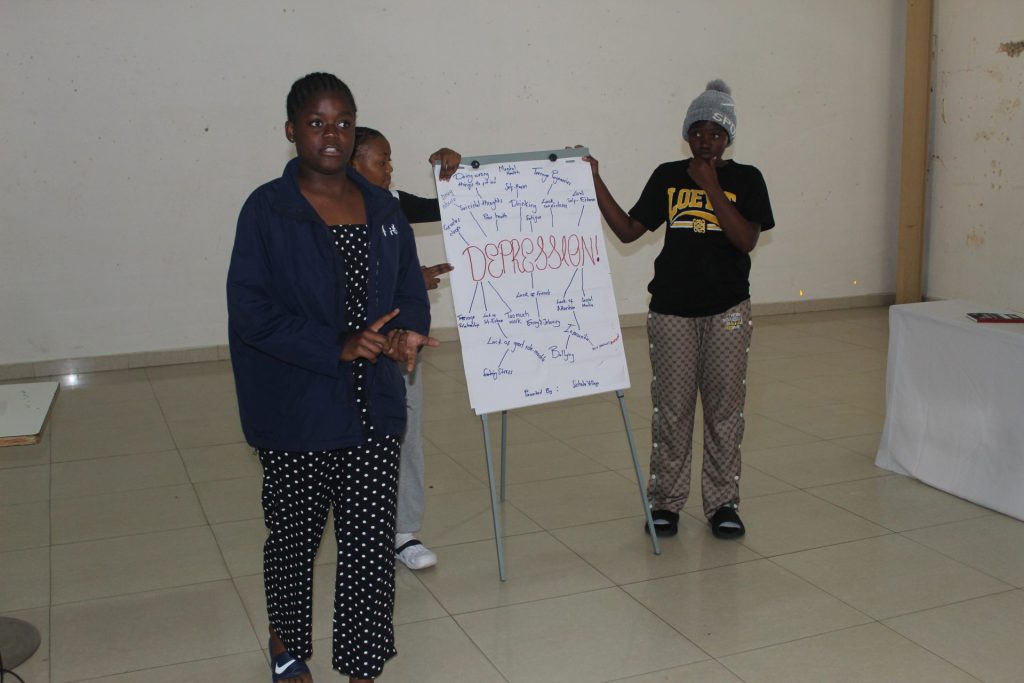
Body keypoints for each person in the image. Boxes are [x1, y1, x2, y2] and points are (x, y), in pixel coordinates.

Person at [227, 72, 438, 683]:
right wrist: (337, 344)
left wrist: (408, 332)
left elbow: (406, 286)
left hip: (375, 405)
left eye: (343, 122)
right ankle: (287, 641)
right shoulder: (268, 209)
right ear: (291, 131)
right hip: (297, 406)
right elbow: (251, 312)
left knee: (370, 545)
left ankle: (363, 662)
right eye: (317, 123)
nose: (332, 135)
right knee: (294, 536)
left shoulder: (381, 206)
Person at [583, 79, 774, 540]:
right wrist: (593, 180)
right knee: (672, 410)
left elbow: (746, 239)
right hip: (671, 309)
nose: (704, 141)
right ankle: (666, 503)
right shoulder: (668, 175)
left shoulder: (746, 179)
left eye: (714, 133)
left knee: (725, 409)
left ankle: (722, 503)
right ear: (686, 134)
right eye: (697, 131)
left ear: (729, 137)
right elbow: (629, 231)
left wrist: (710, 187)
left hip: (728, 309)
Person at [350, 126, 457, 571]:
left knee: (406, 433)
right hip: (351, 346)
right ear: (353, 165)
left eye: (390, 159)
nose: (390, 168)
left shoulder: (392, 205)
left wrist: (450, 172)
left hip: (402, 342)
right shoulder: (331, 212)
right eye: (381, 161)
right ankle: (362, 527)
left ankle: (402, 531)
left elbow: (447, 208)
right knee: (351, 440)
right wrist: (409, 280)